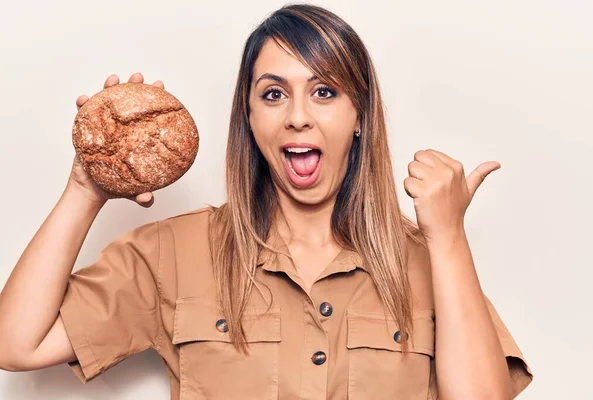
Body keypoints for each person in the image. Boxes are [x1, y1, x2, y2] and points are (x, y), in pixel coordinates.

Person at [0, 4, 534, 399]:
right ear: (250, 120)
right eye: (273, 93)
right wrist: (86, 188)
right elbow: (17, 346)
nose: (298, 116)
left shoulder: (428, 260)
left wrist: (448, 237)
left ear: (361, 118)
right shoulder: (172, 252)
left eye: (324, 91)